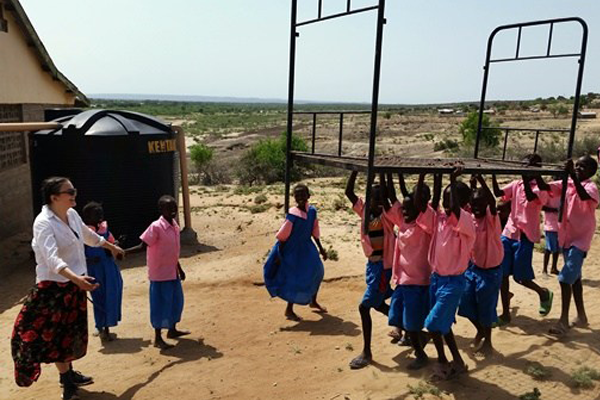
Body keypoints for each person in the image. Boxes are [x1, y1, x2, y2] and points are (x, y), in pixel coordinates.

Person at [11, 177, 124, 400]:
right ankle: (67, 383)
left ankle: (68, 375)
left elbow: (88, 236)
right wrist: (76, 279)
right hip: (52, 289)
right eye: (69, 191)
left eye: (74, 190)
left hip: (73, 285)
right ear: (54, 197)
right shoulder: (43, 223)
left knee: (69, 335)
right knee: (52, 337)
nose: (74, 194)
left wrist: (111, 246)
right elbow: (52, 259)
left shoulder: (71, 215)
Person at [425, 168, 476, 380]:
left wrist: (452, 179)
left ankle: (442, 362)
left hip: (453, 283)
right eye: (445, 201)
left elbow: (455, 208)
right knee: (443, 325)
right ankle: (456, 362)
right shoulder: (440, 218)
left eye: (451, 201)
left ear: (464, 204)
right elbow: (432, 203)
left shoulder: (467, 222)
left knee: (432, 324)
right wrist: (437, 176)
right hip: (436, 279)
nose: (447, 205)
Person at [492, 154, 553, 326]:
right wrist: (492, 174)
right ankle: (505, 313)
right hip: (509, 233)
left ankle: (543, 293)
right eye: (523, 166)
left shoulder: (540, 188)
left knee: (521, 277)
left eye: (528, 166)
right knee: (502, 275)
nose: (524, 169)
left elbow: (532, 197)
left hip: (525, 237)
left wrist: (526, 178)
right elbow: (499, 193)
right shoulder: (516, 184)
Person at [346, 171, 396, 369]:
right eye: (375, 200)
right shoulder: (365, 211)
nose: (379, 204)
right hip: (372, 265)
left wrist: (384, 175)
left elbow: (392, 196)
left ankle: (367, 352)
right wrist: (356, 170)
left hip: (383, 267)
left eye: (381, 200)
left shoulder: (388, 216)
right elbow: (349, 192)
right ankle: (413, 331)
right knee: (378, 303)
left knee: (364, 306)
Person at [127, 195, 189, 350]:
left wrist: (179, 269)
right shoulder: (156, 227)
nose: (173, 210)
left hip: (172, 272)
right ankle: (157, 338)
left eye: (174, 207)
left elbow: (173, 252)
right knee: (160, 305)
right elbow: (142, 246)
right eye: (169, 207)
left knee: (175, 302)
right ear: (161, 209)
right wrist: (123, 252)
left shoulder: (175, 226)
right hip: (160, 274)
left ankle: (172, 329)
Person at [386, 173, 435, 369]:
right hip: (402, 280)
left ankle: (421, 354)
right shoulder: (403, 222)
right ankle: (418, 339)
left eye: (409, 209)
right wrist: (386, 173)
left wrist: (424, 177)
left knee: (412, 323)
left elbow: (426, 203)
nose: (404, 212)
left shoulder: (426, 225)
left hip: (417, 281)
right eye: (403, 210)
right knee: (397, 316)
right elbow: (393, 198)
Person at [548, 156, 599, 336]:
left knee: (565, 280)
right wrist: (533, 174)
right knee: (575, 279)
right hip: (567, 237)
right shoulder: (568, 183)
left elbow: (584, 196)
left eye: (582, 167)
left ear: (591, 172)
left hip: (581, 240)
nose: (578, 168)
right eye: (576, 166)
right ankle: (582, 316)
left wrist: (572, 175)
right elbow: (547, 187)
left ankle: (563, 321)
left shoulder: (591, 187)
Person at [263, 183, 328, 321]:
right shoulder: (292, 215)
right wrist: (279, 254)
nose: (300, 198)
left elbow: (314, 231)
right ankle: (289, 309)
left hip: (307, 247)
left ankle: (313, 300)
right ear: (294, 197)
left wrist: (321, 249)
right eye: (297, 195)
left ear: (308, 196)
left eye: (303, 195)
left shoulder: (312, 211)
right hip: (292, 249)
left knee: (318, 271)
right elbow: (283, 236)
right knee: (295, 278)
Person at [457, 175, 504, 356]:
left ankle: (488, 342)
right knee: (465, 301)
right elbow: (469, 204)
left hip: (490, 272)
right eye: (474, 204)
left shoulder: (491, 219)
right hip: (473, 269)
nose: (476, 207)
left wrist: (482, 181)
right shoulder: (471, 218)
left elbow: (491, 201)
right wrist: (472, 185)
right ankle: (481, 331)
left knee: (486, 308)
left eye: (480, 204)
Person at [82, 202, 124, 341]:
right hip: (94, 269)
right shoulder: (84, 233)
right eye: (96, 213)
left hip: (108, 266)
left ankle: (106, 327)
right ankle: (100, 326)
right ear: (87, 217)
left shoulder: (104, 230)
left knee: (110, 294)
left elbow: (112, 242)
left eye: (100, 212)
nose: (100, 215)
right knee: (98, 296)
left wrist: (116, 244)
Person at [542, 178, 561, 275]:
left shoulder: (563, 193)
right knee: (548, 248)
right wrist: (555, 210)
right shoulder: (548, 193)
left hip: (560, 225)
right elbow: (542, 206)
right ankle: (545, 269)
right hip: (550, 225)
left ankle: (554, 267)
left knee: (556, 248)